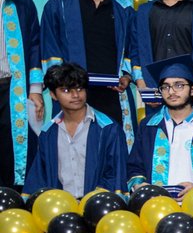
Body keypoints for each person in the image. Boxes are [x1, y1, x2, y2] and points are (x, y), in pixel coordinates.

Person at [40, 0, 137, 149]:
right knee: (73, 148)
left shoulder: (123, 9)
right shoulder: (59, 5)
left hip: (112, 92)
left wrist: (127, 77)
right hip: (73, 92)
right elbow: (50, 49)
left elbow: (132, 48)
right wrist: (59, 86)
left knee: (114, 146)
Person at [24, 63, 126, 196]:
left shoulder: (109, 129)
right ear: (53, 95)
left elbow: (116, 174)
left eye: (80, 89)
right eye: (66, 90)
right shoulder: (48, 133)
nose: (76, 95)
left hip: (98, 206)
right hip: (60, 208)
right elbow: (39, 177)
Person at [126, 53, 193, 191]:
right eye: (165, 87)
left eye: (179, 85)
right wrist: (140, 184)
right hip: (156, 203)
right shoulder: (148, 126)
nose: (171, 92)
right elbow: (135, 167)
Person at [0, 0, 42, 189]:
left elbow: (35, 45)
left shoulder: (20, 2)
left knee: (15, 148)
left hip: (13, 88)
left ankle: (15, 200)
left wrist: (35, 89)